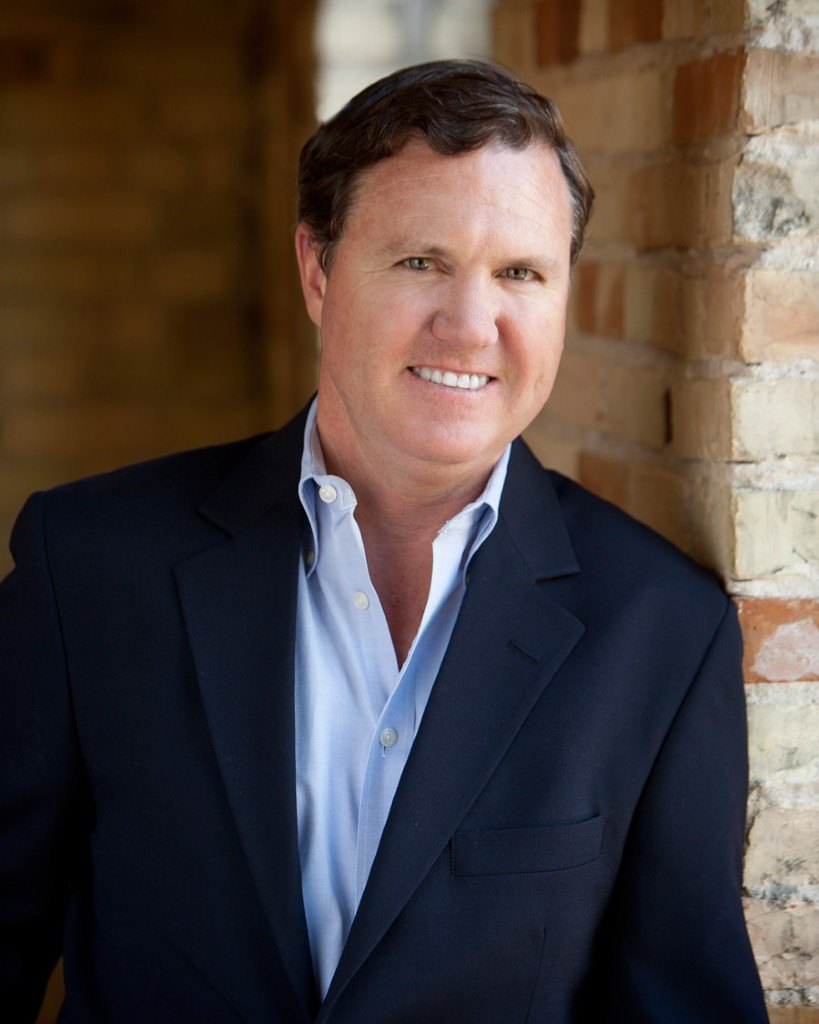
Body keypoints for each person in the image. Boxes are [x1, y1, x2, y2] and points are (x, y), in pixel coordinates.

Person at [0, 60, 767, 1023]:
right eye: (420, 262)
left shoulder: (660, 632)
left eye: (520, 273)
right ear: (317, 270)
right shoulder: (89, 568)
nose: (470, 326)